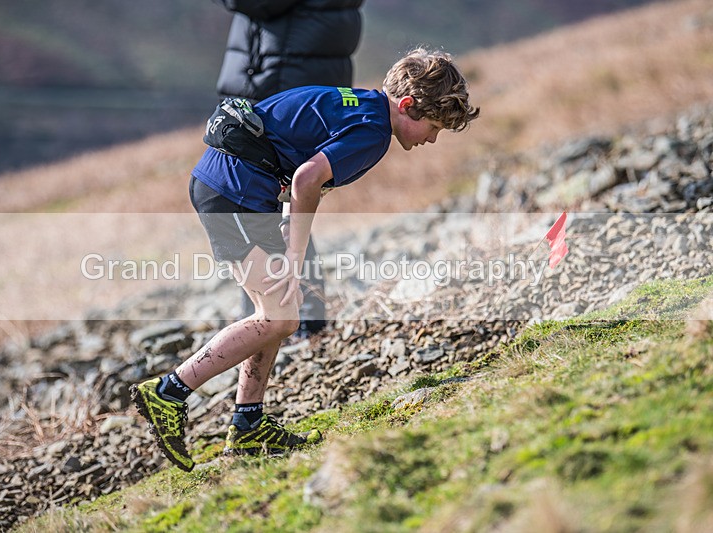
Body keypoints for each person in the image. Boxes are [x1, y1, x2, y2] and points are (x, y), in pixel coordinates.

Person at [131, 48, 480, 471]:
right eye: (434, 127)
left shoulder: (360, 104)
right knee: (280, 317)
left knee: (281, 309)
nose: (432, 139)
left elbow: (290, 146)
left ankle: (248, 423)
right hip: (233, 193)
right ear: (407, 105)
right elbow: (306, 178)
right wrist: (295, 256)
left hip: (238, 186)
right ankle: (168, 392)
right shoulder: (374, 132)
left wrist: (286, 226)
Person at [214, 0, 365, 337]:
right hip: (304, 74)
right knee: (288, 205)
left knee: (262, 207)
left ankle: (280, 321)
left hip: (279, 77)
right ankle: (294, 319)